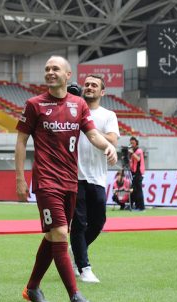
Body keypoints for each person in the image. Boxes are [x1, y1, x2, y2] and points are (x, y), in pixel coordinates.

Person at [15, 55, 117, 302]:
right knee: (60, 233)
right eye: (47, 68)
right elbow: (20, 142)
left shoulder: (79, 105)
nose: (50, 72)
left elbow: (93, 134)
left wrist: (108, 147)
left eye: (55, 68)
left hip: (71, 181)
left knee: (52, 236)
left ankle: (33, 287)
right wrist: (19, 177)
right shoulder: (34, 104)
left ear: (68, 75)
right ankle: (75, 296)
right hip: (46, 181)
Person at [70, 74, 119, 283]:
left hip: (98, 176)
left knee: (98, 222)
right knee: (79, 223)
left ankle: (76, 248)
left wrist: (89, 128)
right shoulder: (72, 110)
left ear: (102, 92)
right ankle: (84, 267)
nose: (89, 87)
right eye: (87, 84)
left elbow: (112, 139)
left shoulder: (108, 115)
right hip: (74, 174)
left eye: (94, 85)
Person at [129, 136, 145, 211]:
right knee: (135, 190)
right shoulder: (134, 151)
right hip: (134, 172)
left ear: (136, 143)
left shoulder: (139, 151)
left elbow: (138, 159)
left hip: (138, 172)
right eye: (131, 143)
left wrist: (132, 153)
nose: (132, 144)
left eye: (133, 143)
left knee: (138, 190)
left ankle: (141, 207)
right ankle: (137, 205)